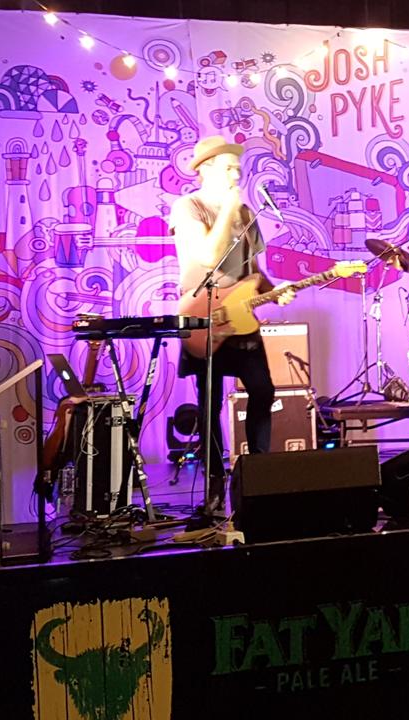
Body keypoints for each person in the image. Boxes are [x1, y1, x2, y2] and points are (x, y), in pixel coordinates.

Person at [170, 135, 294, 512]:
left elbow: (253, 271)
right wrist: (227, 209)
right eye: (227, 167)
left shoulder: (245, 214)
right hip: (203, 315)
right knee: (209, 402)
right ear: (205, 169)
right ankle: (213, 479)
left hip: (241, 317)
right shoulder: (188, 206)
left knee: (263, 390)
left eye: (238, 168)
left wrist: (275, 291)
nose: (236, 174)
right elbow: (207, 255)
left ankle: (258, 471)